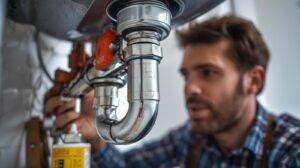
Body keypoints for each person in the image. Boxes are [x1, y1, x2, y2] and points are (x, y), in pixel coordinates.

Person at [44, 16, 300, 167]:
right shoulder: (192, 139)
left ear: (253, 81)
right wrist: (97, 138)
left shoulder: (291, 150)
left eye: (208, 72)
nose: (190, 87)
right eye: (186, 75)